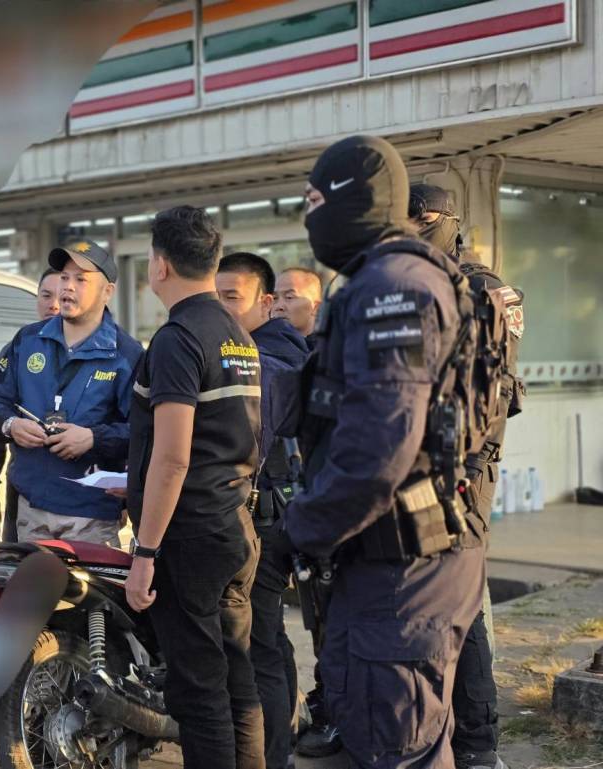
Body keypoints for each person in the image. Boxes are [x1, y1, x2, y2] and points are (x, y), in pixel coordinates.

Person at [285, 136, 485, 769]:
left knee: (397, 746)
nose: (308, 217)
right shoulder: (384, 278)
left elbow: (380, 446)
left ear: (356, 199)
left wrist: (299, 529)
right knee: (386, 737)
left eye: (315, 201)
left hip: (400, 567)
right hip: (387, 560)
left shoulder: (394, 285)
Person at [126, 206, 265, 769]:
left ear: (160, 266)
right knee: (237, 682)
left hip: (189, 539)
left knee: (200, 692)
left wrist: (145, 552)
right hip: (234, 525)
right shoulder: (237, 334)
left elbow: (173, 457)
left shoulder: (177, 338)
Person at [410, 183, 525, 769]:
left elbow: (491, 392)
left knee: (462, 602)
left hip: (462, 471)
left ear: (449, 221)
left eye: (422, 218)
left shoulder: (478, 288)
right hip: (422, 470)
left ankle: (479, 743)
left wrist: (463, 468)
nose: (412, 227)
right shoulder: (418, 281)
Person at [0, 241, 142, 546]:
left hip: (92, 514)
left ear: (107, 291)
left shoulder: (127, 355)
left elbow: (143, 431)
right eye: (65, 277)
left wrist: (93, 438)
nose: (67, 286)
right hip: (31, 507)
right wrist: (11, 425)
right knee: (32, 579)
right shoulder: (27, 340)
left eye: (81, 279)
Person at [217, 251, 308, 769]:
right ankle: (282, 745)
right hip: (263, 515)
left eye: (232, 297)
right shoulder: (259, 348)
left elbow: (247, 442)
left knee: (258, 647)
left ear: (266, 302)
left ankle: (273, 757)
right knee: (268, 640)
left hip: (265, 520)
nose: (222, 307)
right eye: (216, 296)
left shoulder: (269, 358)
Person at [0, 268, 61, 542]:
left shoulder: (108, 354)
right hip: (24, 485)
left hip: (80, 494)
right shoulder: (20, 348)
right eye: (46, 296)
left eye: (61, 297)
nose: (54, 305)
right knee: (20, 561)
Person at [271, 267, 323, 338]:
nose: (279, 307)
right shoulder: (260, 342)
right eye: (274, 298)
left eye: (289, 297)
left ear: (315, 307)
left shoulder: (332, 342)